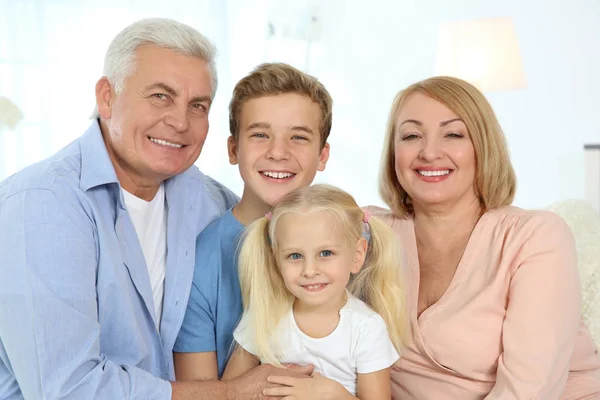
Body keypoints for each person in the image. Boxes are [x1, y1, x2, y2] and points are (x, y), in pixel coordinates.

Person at [0, 18, 309, 400]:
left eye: (197, 105)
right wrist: (230, 393)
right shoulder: (42, 205)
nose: (180, 121)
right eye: (160, 96)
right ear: (107, 97)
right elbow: (67, 389)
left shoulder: (213, 204)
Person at [373, 75, 600, 399]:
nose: (430, 152)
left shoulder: (535, 237)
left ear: (483, 146)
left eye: (453, 134)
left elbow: (527, 391)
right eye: (411, 135)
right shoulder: (369, 231)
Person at [173, 62, 332, 380]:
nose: (278, 152)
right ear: (234, 149)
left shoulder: (354, 240)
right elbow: (199, 391)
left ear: (322, 155)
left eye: (298, 137)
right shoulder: (200, 261)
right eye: (260, 134)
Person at [222, 184, 407, 399]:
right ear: (276, 259)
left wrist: (333, 394)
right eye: (295, 256)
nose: (309, 271)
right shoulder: (265, 314)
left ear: (357, 256)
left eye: (325, 253)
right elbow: (230, 391)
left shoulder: (366, 328)